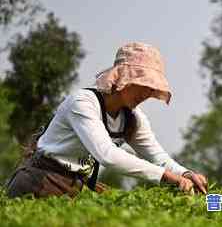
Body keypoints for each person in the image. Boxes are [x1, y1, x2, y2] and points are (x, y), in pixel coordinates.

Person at [6, 42, 208, 198]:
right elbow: (107, 155)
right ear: (123, 78)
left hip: (75, 186)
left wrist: (186, 173)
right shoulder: (82, 103)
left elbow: (157, 156)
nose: (148, 93)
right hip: (39, 180)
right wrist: (168, 177)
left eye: (152, 88)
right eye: (142, 84)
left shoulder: (133, 118)